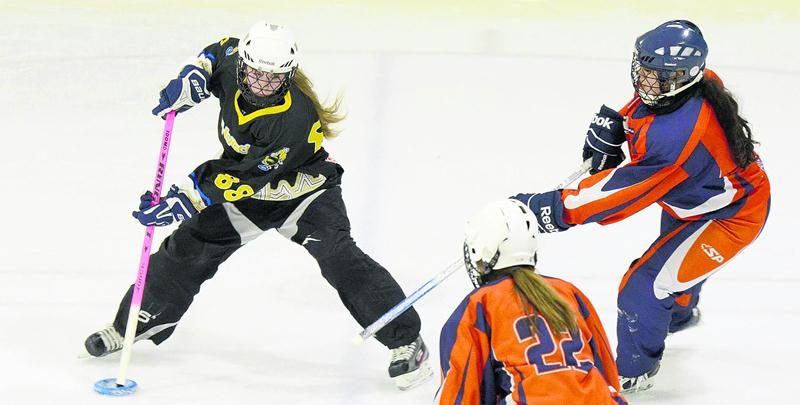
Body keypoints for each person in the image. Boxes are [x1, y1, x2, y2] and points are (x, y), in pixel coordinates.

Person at [83, 21, 432, 390]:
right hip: (248, 196)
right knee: (187, 248)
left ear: (289, 74)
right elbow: (216, 52)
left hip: (304, 194)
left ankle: (406, 340)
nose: (263, 82)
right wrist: (193, 77)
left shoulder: (293, 118)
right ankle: (136, 323)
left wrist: (181, 198)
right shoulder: (234, 60)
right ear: (243, 64)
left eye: (274, 76)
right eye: (256, 72)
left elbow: (239, 176)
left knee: (338, 257)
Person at [512, 20, 770, 393]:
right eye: (644, 70)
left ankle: (636, 371)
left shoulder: (677, 139)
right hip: (694, 198)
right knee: (672, 278)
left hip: (730, 216)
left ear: (682, 76)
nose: (643, 81)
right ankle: (677, 315)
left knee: (644, 287)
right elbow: (647, 108)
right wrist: (620, 125)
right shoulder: (685, 87)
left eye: (655, 76)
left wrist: (546, 209)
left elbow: (619, 196)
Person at [437, 199, 628, 405]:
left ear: (480, 252)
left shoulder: (478, 306)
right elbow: (607, 374)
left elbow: (459, 395)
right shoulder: (569, 292)